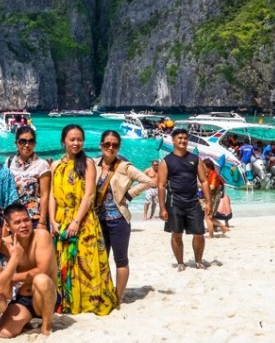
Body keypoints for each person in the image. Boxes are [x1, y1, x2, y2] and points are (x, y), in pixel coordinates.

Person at [51, 124, 117, 315]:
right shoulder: (55, 165)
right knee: (63, 260)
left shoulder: (87, 163)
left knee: (85, 260)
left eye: (79, 139)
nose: (76, 143)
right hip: (61, 218)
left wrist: (76, 221)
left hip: (84, 219)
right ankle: (67, 302)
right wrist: (52, 222)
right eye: (72, 139)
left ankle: (87, 301)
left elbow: (89, 196)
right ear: (63, 141)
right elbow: (52, 197)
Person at [93, 130, 155, 305]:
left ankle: (118, 297)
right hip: (98, 221)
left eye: (114, 145)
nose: (110, 148)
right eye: (107, 144)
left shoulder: (125, 167)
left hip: (119, 220)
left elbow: (149, 181)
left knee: (120, 260)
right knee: (100, 259)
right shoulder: (94, 163)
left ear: (119, 147)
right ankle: (102, 293)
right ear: (101, 145)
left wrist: (128, 195)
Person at [0, 203, 58, 338]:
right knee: (4, 333)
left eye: (26, 220)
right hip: (24, 298)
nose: (24, 225)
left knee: (41, 279)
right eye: (17, 222)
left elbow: (42, 270)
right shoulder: (5, 244)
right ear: (8, 227)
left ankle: (46, 326)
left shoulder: (41, 236)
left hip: (46, 296)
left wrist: (9, 278)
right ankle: (27, 320)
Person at [157, 128, 212, 271]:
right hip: (174, 203)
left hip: (193, 202)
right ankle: (180, 263)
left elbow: (204, 181)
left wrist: (208, 202)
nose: (183, 141)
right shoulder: (166, 161)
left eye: (185, 138)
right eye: (179, 138)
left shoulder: (195, 160)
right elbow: (161, 186)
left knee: (199, 233)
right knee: (176, 233)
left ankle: (198, 261)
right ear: (173, 140)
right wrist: (162, 208)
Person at [6, 126, 51, 229]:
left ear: (34, 144)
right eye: (22, 141)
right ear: (16, 143)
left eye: (31, 141)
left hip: (35, 218)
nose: (27, 145)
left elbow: (45, 195)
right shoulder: (9, 162)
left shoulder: (41, 164)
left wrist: (43, 221)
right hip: (15, 218)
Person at [203, 158, 229, 237]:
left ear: (209, 167)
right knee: (208, 217)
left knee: (208, 217)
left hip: (214, 198)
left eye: (204, 167)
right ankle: (223, 227)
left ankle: (211, 235)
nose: (203, 169)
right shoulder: (208, 174)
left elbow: (212, 187)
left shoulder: (214, 175)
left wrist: (201, 185)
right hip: (212, 197)